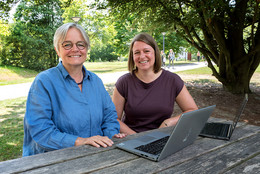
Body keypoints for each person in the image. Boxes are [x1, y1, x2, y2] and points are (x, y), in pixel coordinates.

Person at [23, 23, 126, 157]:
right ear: (57, 50)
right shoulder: (44, 82)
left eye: (80, 44)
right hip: (52, 162)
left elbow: (110, 117)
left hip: (94, 156)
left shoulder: (95, 81)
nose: (75, 49)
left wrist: (110, 137)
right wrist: (81, 141)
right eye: (67, 45)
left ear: (86, 48)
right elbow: (41, 130)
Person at [112, 33, 198, 135]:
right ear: (132, 56)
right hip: (131, 140)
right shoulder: (124, 82)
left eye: (147, 51)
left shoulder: (172, 80)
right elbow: (114, 119)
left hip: (162, 137)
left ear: (155, 53)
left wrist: (169, 122)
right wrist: (136, 137)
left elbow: (193, 111)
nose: (142, 56)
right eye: (137, 53)